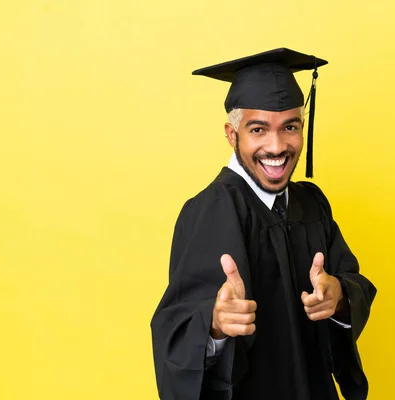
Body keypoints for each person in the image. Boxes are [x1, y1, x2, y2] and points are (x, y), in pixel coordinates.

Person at [150, 48, 377, 400]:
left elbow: (353, 281)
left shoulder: (311, 203)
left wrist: (339, 296)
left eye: (290, 127)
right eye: (258, 129)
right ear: (231, 133)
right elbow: (175, 329)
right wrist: (214, 324)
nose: (277, 146)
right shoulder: (211, 211)